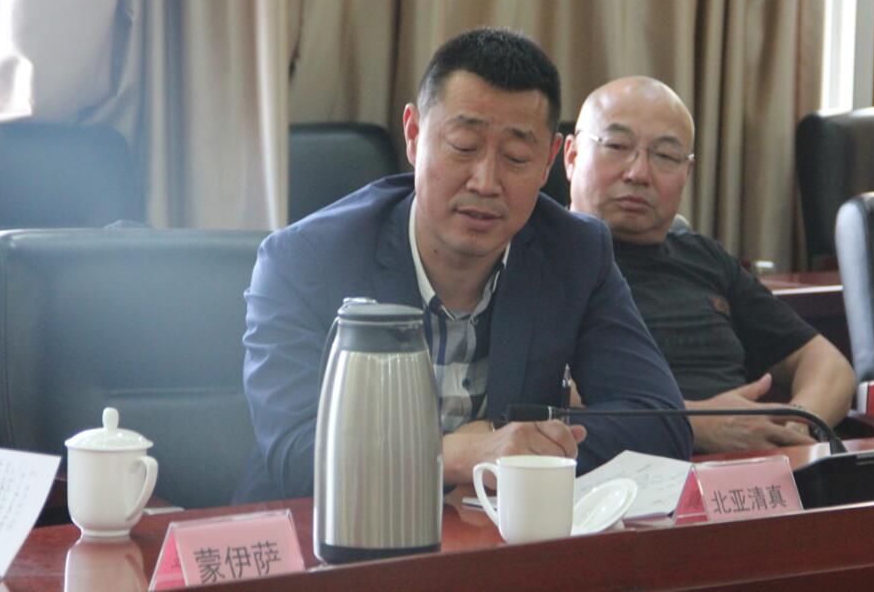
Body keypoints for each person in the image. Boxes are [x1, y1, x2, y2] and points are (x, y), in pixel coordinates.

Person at [235, 30, 692, 503]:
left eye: (517, 157)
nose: (486, 181)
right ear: (414, 136)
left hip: (489, 534)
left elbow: (660, 423)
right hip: (325, 531)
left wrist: (503, 441)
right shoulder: (305, 260)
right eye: (463, 145)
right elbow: (297, 452)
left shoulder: (575, 252)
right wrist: (454, 455)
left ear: (549, 161)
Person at [565, 76, 856, 454]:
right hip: (620, 471)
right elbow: (550, 398)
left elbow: (826, 363)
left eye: (666, 156)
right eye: (617, 146)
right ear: (571, 156)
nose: (639, 173)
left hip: (753, 469)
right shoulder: (541, 256)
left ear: (686, 173)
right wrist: (693, 424)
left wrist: (794, 426)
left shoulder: (704, 259)